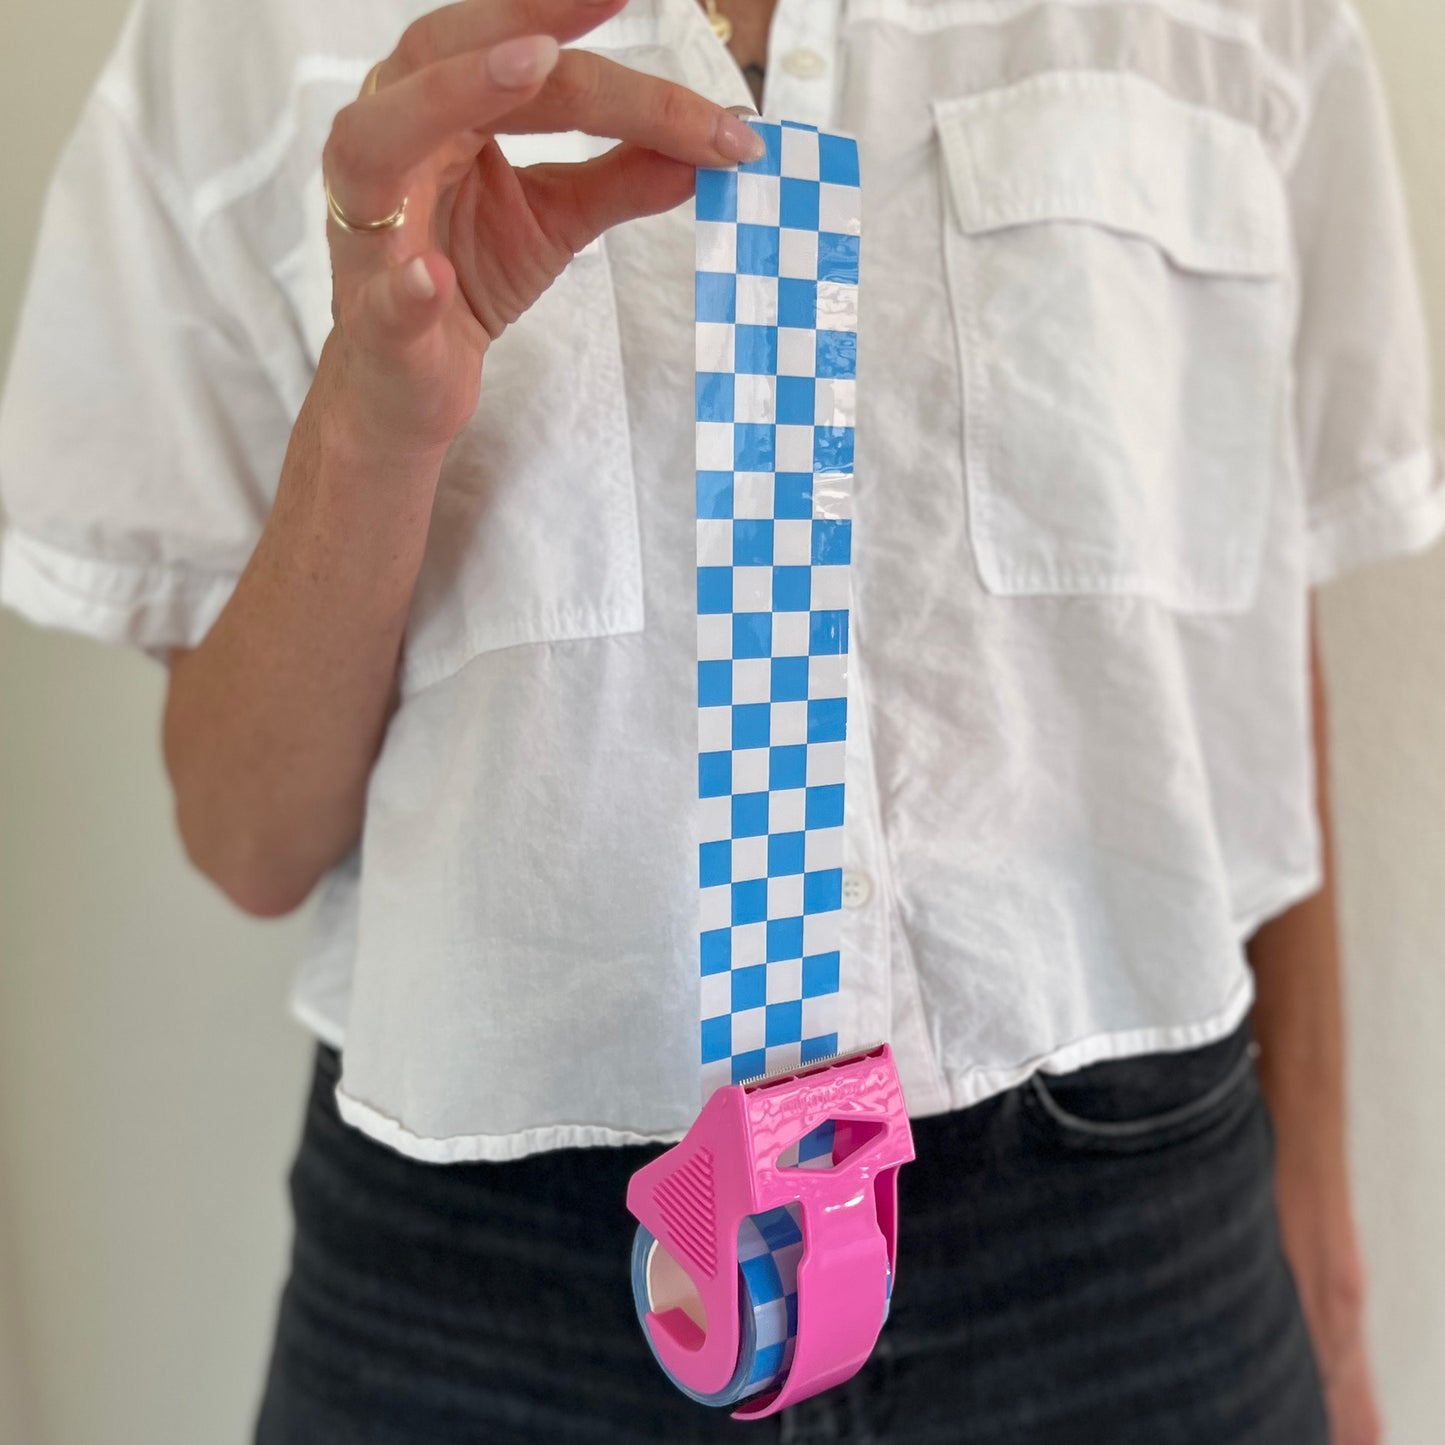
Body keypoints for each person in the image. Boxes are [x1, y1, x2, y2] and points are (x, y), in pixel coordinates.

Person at [2, 0, 1441, 1439]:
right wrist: (373, 428)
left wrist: (1319, 1223)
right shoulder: (239, 35)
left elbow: (1247, 652)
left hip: (1115, 1243)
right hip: (490, 1288)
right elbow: (247, 835)